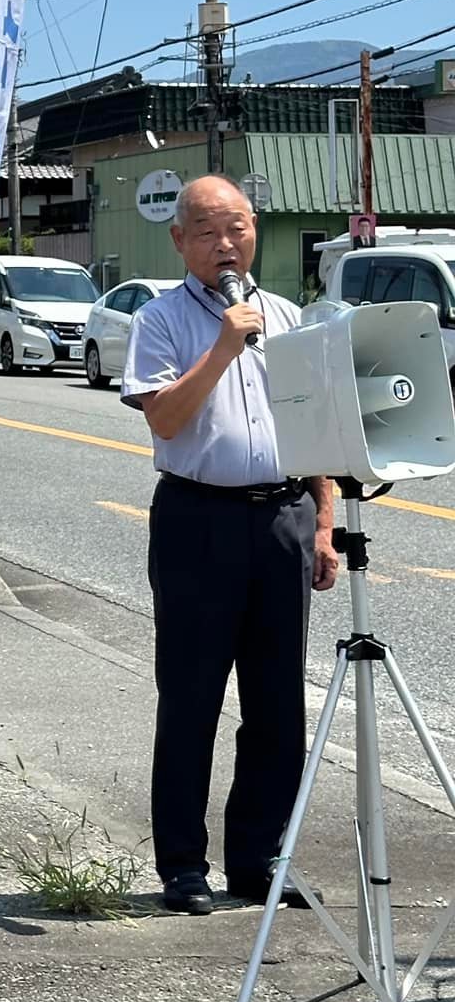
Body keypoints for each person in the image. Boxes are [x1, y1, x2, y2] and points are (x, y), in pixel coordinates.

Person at [121, 174, 338, 917]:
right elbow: (168, 422)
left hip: (280, 517)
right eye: (209, 231)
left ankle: (260, 860)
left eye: (238, 227)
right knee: (191, 696)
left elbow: (315, 429)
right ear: (180, 240)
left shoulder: (287, 316)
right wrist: (222, 346)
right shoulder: (159, 321)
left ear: (257, 232)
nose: (226, 243)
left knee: (278, 705)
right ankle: (182, 864)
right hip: (197, 519)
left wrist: (325, 523)